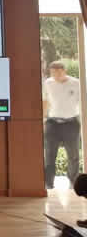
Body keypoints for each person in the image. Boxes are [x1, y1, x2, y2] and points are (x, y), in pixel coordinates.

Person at [43, 61, 81, 189]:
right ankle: (48, 184)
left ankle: (73, 183)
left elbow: (82, 102)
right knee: (49, 155)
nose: (56, 75)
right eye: (53, 73)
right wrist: (42, 118)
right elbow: (45, 101)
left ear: (64, 71)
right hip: (53, 123)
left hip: (71, 123)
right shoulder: (48, 83)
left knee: (73, 156)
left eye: (58, 72)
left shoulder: (76, 83)